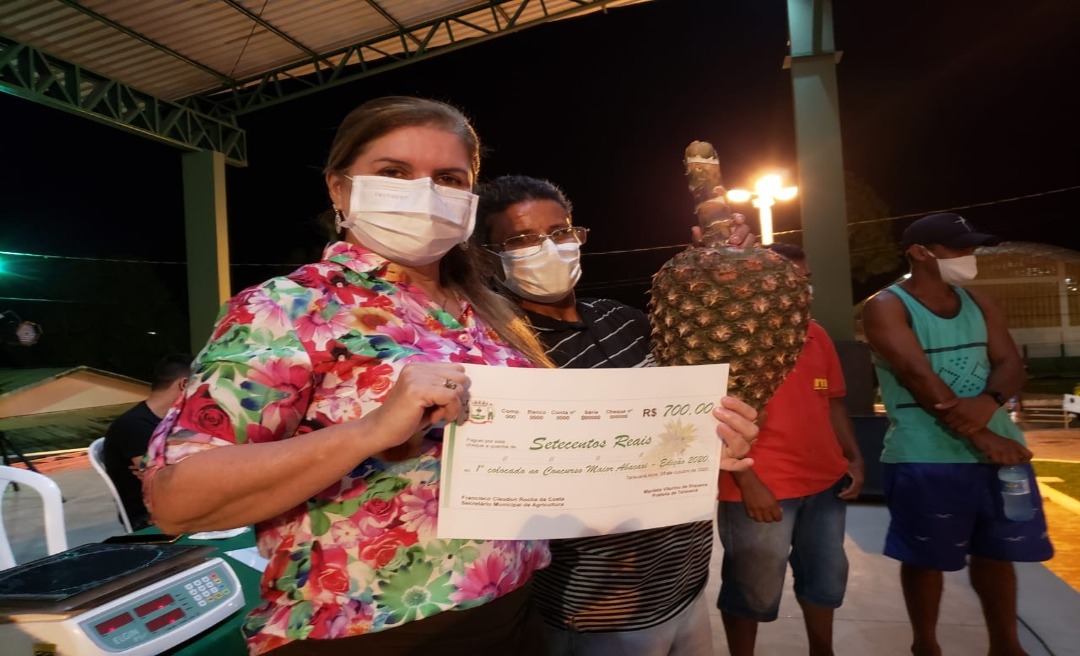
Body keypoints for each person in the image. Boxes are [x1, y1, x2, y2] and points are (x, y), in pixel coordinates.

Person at [142, 97, 758, 656]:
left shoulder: (483, 314)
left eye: (448, 179)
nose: (423, 193)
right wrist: (370, 430)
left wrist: (685, 446)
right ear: (339, 188)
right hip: (369, 633)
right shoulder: (291, 308)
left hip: (512, 613)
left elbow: (555, 457)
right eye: (393, 173)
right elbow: (176, 499)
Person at [476, 173, 758, 656]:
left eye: (561, 232)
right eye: (522, 239)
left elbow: (698, 406)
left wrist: (731, 275)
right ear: (488, 257)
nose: (550, 248)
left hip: (687, 580)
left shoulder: (624, 318)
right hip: (596, 607)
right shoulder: (500, 352)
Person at [861, 212, 1053, 656]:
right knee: (926, 557)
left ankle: (1006, 644)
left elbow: (1010, 363)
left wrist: (988, 406)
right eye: (957, 248)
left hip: (1002, 454)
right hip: (927, 455)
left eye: (971, 247)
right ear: (919, 253)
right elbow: (916, 374)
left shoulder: (979, 302)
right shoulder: (886, 306)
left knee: (999, 553)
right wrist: (985, 438)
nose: (969, 256)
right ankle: (925, 645)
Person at [714, 242, 863, 656]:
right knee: (752, 590)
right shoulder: (730, 333)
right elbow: (713, 419)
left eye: (806, 279)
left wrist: (853, 456)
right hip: (760, 488)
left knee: (826, 579)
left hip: (825, 483)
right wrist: (747, 480)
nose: (801, 286)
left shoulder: (816, 335)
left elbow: (832, 400)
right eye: (790, 278)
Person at [102, 353, 192, 530]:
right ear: (184, 384)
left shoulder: (175, 420)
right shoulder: (133, 425)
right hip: (150, 517)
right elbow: (162, 481)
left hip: (185, 503)